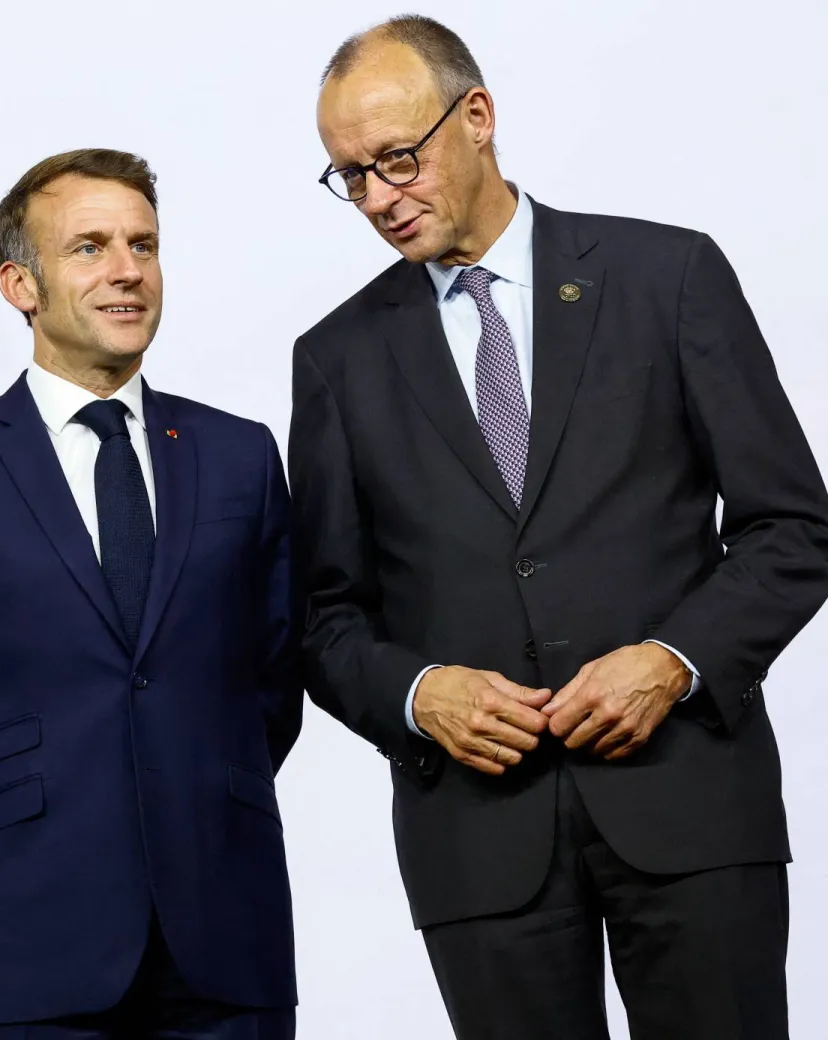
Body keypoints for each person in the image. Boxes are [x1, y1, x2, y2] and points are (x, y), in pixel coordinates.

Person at [289, 15, 828, 1040]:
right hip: (481, 844)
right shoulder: (337, 359)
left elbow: (794, 527)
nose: (377, 198)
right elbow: (322, 617)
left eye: (397, 159)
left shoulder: (668, 277)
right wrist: (415, 692)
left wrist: (674, 658)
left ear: (479, 117)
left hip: (692, 808)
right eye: (349, 176)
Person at [0, 148, 300, 1038]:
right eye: (90, 247)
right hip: (23, 953)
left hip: (224, 943)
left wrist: (196, 806)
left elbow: (273, 680)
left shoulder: (240, 457)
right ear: (21, 283)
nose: (127, 270)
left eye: (144, 244)